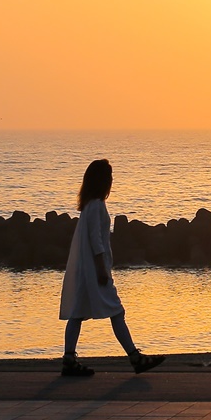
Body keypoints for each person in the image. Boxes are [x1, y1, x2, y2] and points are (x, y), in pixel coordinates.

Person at [60, 158, 164, 377]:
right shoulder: (96, 205)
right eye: (110, 177)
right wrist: (101, 269)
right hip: (94, 269)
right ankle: (135, 357)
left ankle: (69, 359)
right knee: (117, 311)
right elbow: (96, 239)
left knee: (77, 313)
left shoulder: (90, 205)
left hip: (85, 269)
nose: (112, 181)